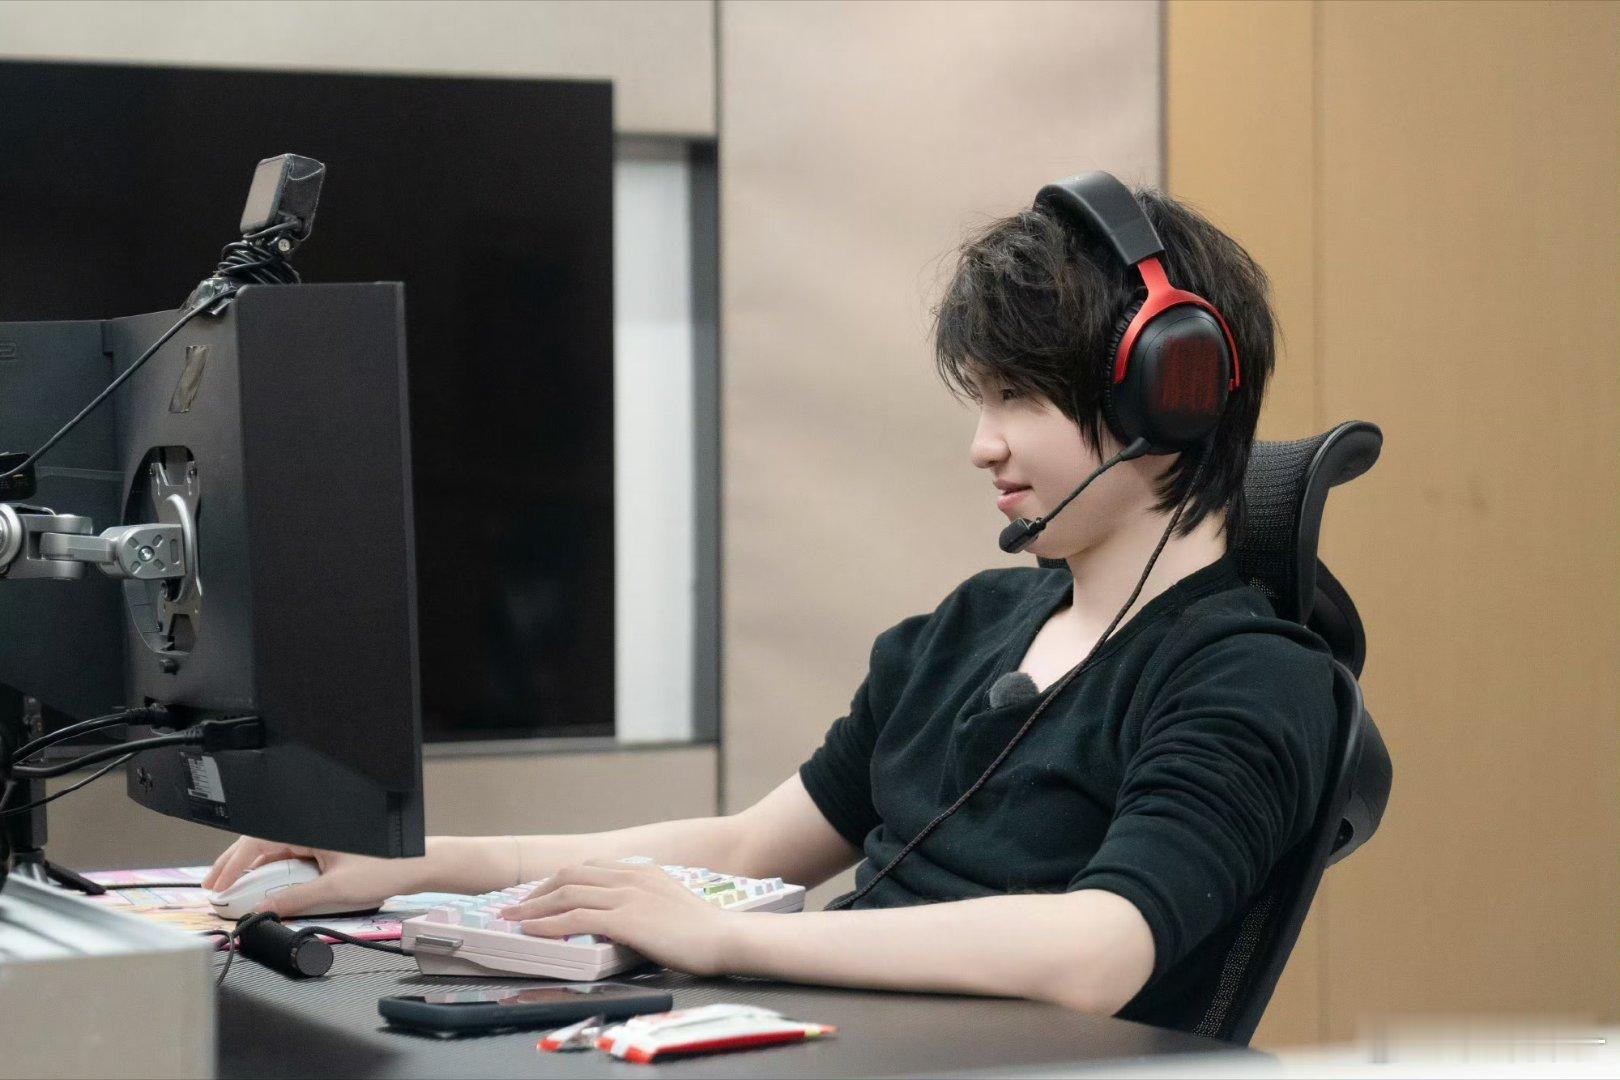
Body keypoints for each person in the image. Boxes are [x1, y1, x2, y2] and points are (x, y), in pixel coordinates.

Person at [204, 178, 1336, 1033]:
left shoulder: (1251, 675)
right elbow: (754, 843)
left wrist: (721, 939)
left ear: (1171, 391)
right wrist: (416, 863)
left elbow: (1100, 950)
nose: (982, 444)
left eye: (1020, 399)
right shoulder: (970, 629)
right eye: (981, 399)